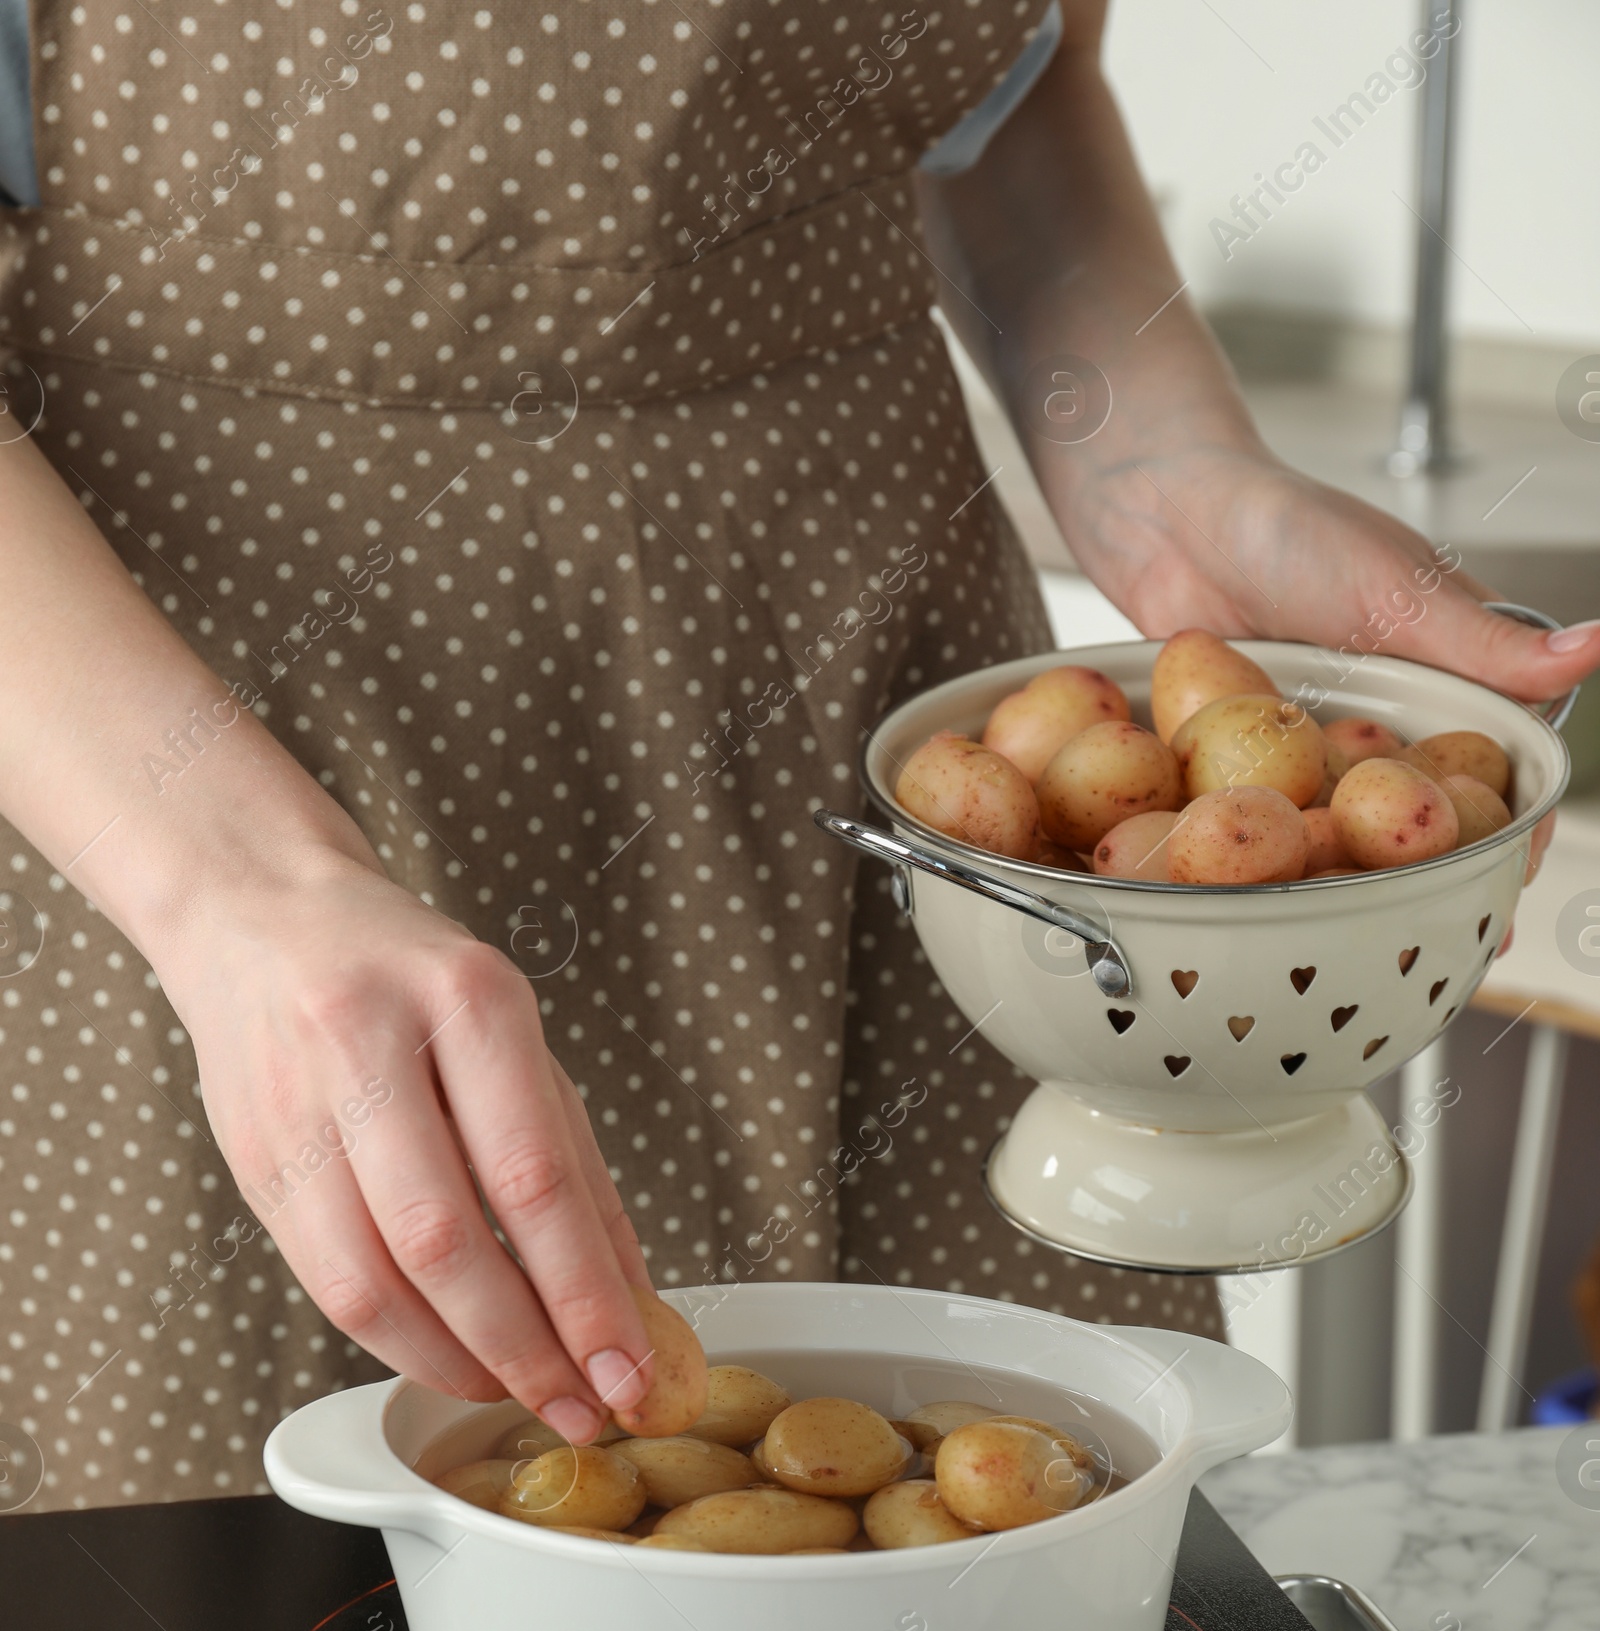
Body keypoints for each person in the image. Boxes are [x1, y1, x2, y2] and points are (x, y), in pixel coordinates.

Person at [0, 0, 1589, 1509]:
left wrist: (1163, 462)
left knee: (994, 1614)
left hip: (871, 726)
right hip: (179, 775)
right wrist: (233, 886)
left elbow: (1001, 87)